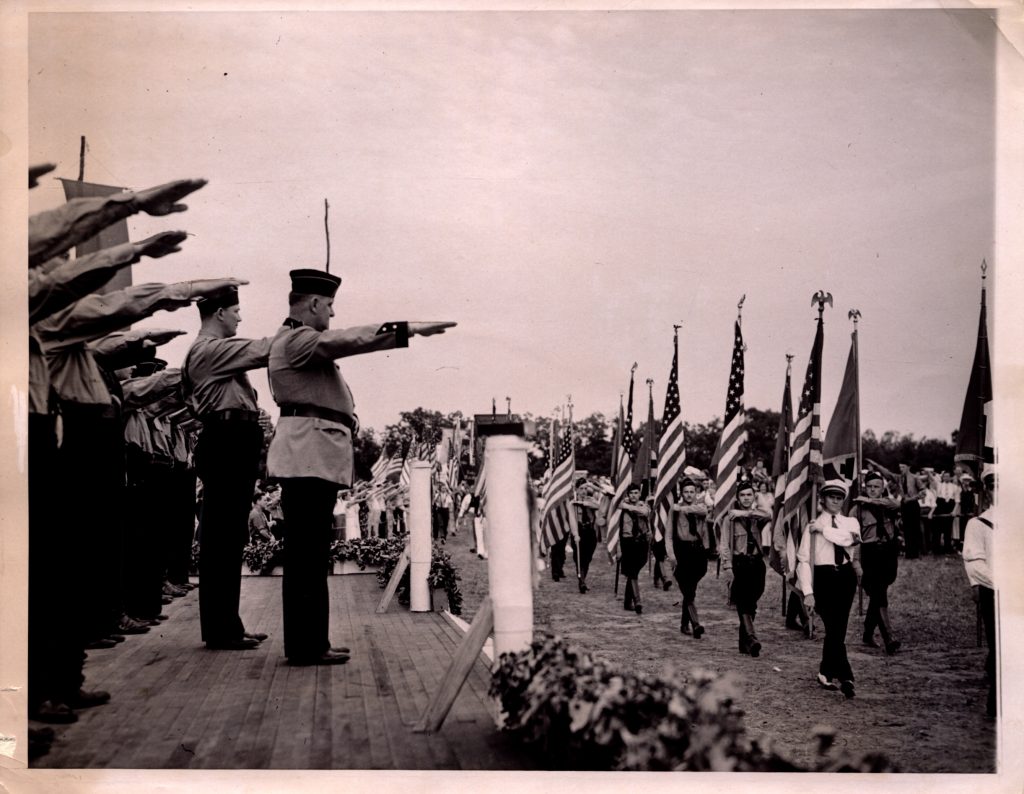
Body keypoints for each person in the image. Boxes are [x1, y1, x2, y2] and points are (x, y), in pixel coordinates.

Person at [265, 268, 454, 665]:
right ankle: (305, 646)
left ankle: (311, 641)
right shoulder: (299, 339)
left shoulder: (297, 341)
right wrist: (408, 330)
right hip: (307, 456)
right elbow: (346, 339)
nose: (332, 315)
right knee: (307, 558)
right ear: (313, 303)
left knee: (311, 556)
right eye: (329, 306)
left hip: (311, 455)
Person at [182, 285, 273, 651]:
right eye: (235, 310)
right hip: (225, 442)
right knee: (221, 539)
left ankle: (228, 625)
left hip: (232, 441)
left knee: (229, 537)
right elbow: (258, 350)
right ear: (219, 313)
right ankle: (221, 629)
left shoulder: (216, 353)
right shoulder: (209, 351)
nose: (239, 316)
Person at [797, 480, 862, 699]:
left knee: (839, 627)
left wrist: (823, 529)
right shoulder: (811, 526)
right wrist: (807, 591)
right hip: (822, 577)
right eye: (831, 497)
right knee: (833, 626)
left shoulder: (850, 522)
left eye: (839, 497)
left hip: (845, 576)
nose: (835, 501)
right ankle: (846, 675)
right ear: (822, 499)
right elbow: (803, 560)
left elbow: (850, 540)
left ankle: (825, 672)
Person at [851, 471, 902, 654]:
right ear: (865, 486)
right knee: (879, 592)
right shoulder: (856, 510)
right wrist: (856, 564)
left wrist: (872, 501)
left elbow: (897, 504)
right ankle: (889, 637)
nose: (872, 490)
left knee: (879, 593)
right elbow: (854, 540)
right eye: (869, 487)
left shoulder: (887, 505)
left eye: (876, 487)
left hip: (888, 553)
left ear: (882, 488)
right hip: (869, 554)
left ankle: (867, 632)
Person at [720, 478, 771, 656]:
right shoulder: (730, 519)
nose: (746, 498)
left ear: (754, 496)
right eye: (742, 495)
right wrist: (727, 566)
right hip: (740, 563)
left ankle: (744, 643)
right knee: (743, 602)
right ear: (737, 497)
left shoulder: (757, 515)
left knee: (753, 601)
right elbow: (724, 544)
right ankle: (752, 638)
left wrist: (745, 514)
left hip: (757, 563)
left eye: (749, 495)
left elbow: (769, 515)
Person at [962, 466, 996, 719]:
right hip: (996, 593)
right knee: (1001, 649)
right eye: (994, 485)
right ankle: (997, 705)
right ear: (987, 489)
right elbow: (975, 562)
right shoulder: (979, 523)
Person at [669, 477, 710, 638]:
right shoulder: (674, 511)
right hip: (682, 552)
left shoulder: (699, 507)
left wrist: (683, 509)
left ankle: (684, 623)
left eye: (692, 492)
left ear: (696, 493)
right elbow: (668, 536)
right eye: (686, 492)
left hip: (698, 553)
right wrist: (671, 555)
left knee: (690, 591)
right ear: (681, 493)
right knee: (688, 590)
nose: (689, 494)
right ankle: (696, 624)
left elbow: (704, 511)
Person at [619, 483, 652, 614]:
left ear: (639, 494)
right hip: (628, 542)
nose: (634, 495)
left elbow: (645, 512)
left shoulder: (643, 505)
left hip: (641, 542)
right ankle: (637, 601)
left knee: (635, 570)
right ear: (628, 494)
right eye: (631, 493)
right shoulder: (621, 508)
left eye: (636, 493)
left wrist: (628, 506)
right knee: (632, 572)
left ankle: (627, 602)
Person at [571, 481, 599, 593]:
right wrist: (575, 535)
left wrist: (586, 504)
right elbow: (572, 519)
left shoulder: (591, 500)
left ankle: (582, 579)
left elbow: (599, 506)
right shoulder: (572, 503)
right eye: (581, 488)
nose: (583, 491)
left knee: (587, 558)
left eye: (585, 488)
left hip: (590, 532)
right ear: (576, 489)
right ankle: (581, 582)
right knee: (578, 558)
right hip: (579, 531)